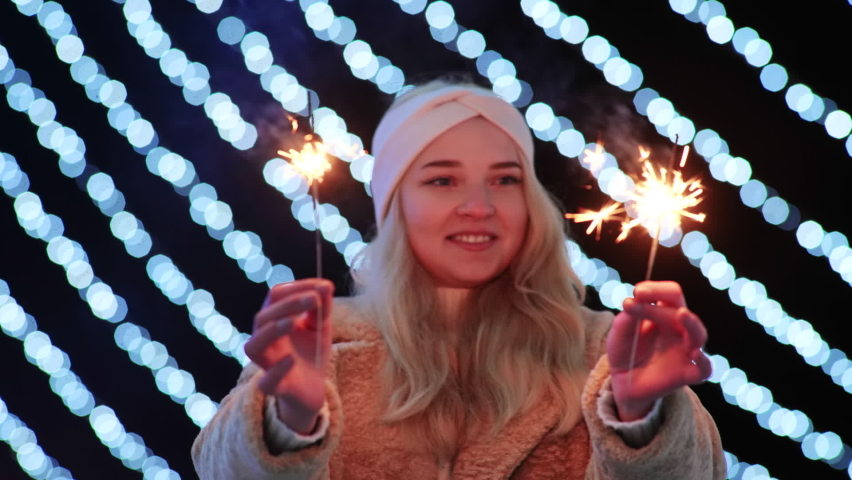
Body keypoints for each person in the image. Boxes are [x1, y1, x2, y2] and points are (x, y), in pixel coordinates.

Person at [192, 80, 725, 479]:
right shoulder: (322, 342)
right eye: (442, 179)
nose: (479, 206)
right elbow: (218, 468)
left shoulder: (607, 350)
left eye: (505, 179)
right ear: (394, 207)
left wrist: (641, 418)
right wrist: (286, 421)